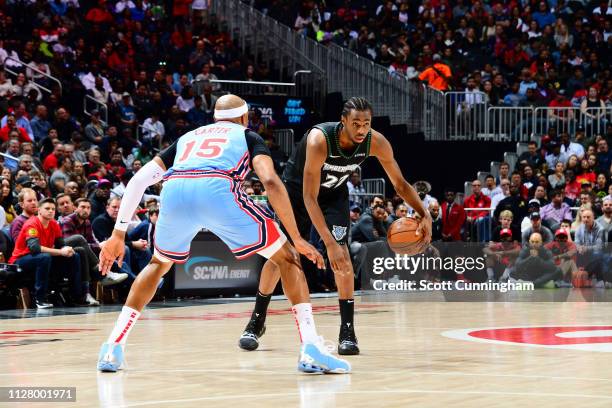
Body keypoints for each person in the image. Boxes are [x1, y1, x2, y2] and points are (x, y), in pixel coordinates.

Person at [97, 94, 351, 374]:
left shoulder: (188, 137)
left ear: (215, 118)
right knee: (287, 258)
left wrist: (118, 233)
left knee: (158, 264)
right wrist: (298, 238)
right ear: (245, 118)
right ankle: (311, 347)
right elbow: (269, 180)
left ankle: (112, 347)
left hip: (175, 191)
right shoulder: (248, 135)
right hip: (218, 188)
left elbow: (140, 180)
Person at [239, 97, 432, 356]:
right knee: (281, 257)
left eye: (366, 123)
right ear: (343, 122)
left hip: (333, 197)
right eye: (356, 123)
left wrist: (423, 213)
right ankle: (257, 320)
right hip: (297, 195)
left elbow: (399, 183)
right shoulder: (320, 139)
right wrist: (327, 243)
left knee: (343, 259)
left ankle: (347, 331)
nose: (362, 129)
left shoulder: (376, 142)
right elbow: (309, 196)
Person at [9, 198, 83, 308]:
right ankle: (39, 298)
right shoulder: (32, 224)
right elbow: (35, 248)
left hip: (40, 257)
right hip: (20, 260)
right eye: (47, 208)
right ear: (39, 210)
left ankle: (77, 296)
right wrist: (60, 252)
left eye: (53, 209)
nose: (51, 211)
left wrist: (66, 249)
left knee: (74, 256)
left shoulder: (54, 224)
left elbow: (60, 244)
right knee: (44, 257)